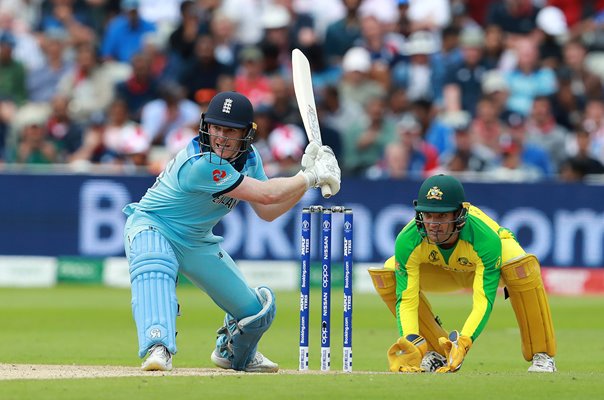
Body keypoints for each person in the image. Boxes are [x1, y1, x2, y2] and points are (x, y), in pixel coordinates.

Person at [122, 91, 341, 372]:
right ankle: (158, 347)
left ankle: (232, 352)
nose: (221, 137)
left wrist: (306, 182)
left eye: (230, 130)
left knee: (256, 312)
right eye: (216, 128)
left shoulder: (250, 159)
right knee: (155, 266)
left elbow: (268, 212)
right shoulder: (200, 164)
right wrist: (309, 175)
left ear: (246, 134)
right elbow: (266, 195)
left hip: (196, 241)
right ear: (206, 127)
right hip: (153, 225)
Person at [368, 174, 556, 373]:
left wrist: (464, 341)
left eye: (441, 216)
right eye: (428, 215)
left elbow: (483, 300)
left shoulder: (484, 239)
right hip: (444, 272)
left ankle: (542, 355)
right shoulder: (408, 239)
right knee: (388, 272)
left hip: (493, 271)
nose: (433, 224)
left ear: (458, 215)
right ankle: (436, 352)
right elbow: (406, 299)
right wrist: (409, 341)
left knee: (517, 261)